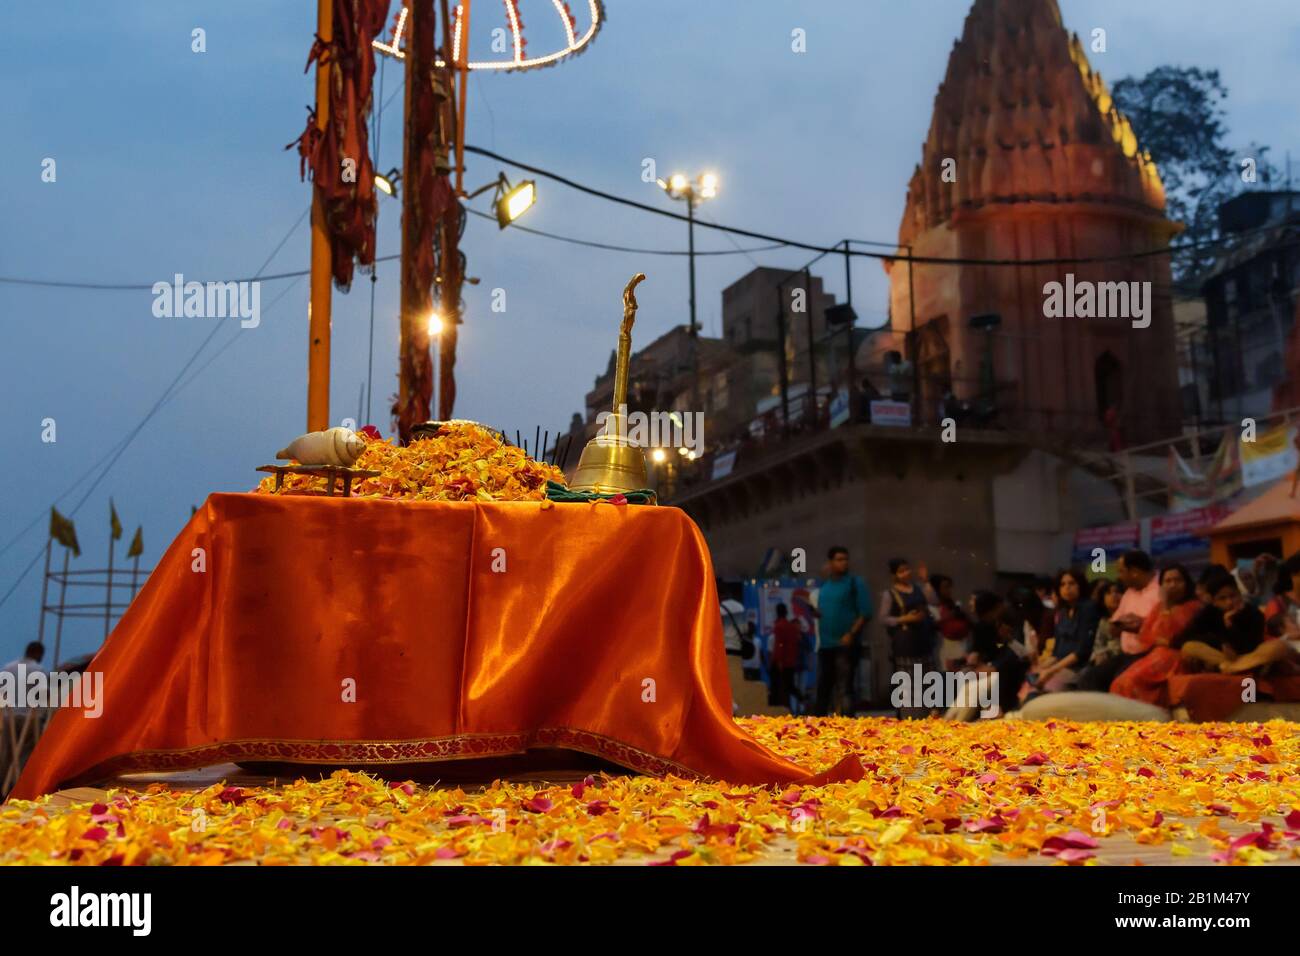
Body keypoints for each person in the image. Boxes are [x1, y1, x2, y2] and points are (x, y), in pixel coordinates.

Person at [1109, 564, 1201, 706]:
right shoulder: (1159, 607)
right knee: (1118, 683)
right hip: (1154, 654)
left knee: (1130, 683)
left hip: (1176, 658)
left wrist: (1166, 606)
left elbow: (1171, 636)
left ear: (1187, 583)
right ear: (1162, 585)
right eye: (1168, 581)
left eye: (1178, 580)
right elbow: (1145, 635)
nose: (1173, 585)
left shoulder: (1193, 607)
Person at [1077, 550, 1161, 690]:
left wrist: (1140, 625)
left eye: (1121, 571)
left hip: (1150, 656)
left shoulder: (1160, 591)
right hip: (1126, 655)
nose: (1118, 576)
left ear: (1134, 571)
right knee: (1089, 678)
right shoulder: (1129, 593)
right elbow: (1114, 625)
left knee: (1119, 682)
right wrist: (1116, 627)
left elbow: (1163, 627)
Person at [815, 546, 873, 716]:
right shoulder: (825, 585)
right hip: (825, 644)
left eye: (845, 559)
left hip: (845, 644)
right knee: (824, 686)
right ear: (830, 562)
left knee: (844, 687)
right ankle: (819, 725)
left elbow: (865, 613)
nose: (844, 563)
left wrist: (851, 634)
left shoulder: (855, 583)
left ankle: (847, 725)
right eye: (839, 559)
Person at [1028, 568, 1099, 694]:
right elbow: (1057, 652)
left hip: (1079, 668)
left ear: (1080, 586)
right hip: (1061, 666)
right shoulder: (1062, 612)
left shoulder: (1088, 608)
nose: (1067, 588)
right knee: (1030, 680)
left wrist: (1051, 671)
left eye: (1072, 583)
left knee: (1046, 686)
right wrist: (1042, 668)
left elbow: (1082, 652)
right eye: (1063, 584)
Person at [964, 594, 1028, 718]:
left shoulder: (1013, 650)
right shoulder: (999, 643)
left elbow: (994, 668)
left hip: (1006, 692)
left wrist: (978, 668)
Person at [880, 558, 937, 667]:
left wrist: (925, 581)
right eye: (901, 571)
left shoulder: (919, 588)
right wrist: (905, 619)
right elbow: (883, 619)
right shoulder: (890, 594)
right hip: (905, 643)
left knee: (928, 679)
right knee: (909, 680)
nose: (906, 573)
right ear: (894, 575)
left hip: (924, 640)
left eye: (907, 569)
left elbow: (934, 601)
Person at [931, 573, 971, 669]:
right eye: (945, 587)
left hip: (961, 647)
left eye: (950, 587)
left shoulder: (954, 605)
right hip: (946, 649)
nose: (949, 590)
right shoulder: (933, 608)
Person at [769, 603, 801, 710]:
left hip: (781, 662)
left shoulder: (779, 626)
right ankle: (802, 700)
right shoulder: (791, 627)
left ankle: (775, 708)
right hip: (790, 662)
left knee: (776, 686)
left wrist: (778, 662)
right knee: (789, 686)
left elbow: (779, 645)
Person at [1086, 580, 1124, 667]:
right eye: (1108, 593)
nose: (1114, 595)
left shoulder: (1127, 619)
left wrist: (1106, 653)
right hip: (1104, 660)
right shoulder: (1103, 621)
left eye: (1118, 592)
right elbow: (1098, 644)